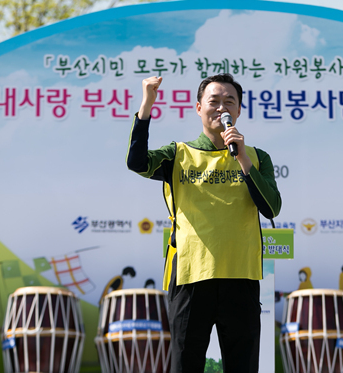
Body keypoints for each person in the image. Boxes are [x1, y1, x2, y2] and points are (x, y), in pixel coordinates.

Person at [126, 73, 282, 373]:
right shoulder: (178, 154)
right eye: (213, 101)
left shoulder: (257, 157)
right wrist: (147, 104)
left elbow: (271, 208)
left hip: (241, 275)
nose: (221, 108)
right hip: (189, 276)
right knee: (186, 364)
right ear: (199, 108)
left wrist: (244, 160)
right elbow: (137, 162)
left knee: (243, 365)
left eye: (229, 102)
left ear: (238, 110)